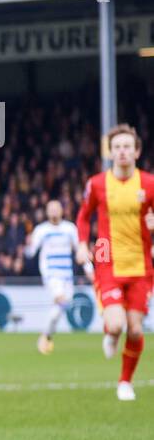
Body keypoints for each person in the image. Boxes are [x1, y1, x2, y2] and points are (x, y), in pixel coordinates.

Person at [75, 124, 154, 400]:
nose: (122, 152)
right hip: (107, 259)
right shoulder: (97, 184)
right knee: (118, 324)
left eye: (127, 147)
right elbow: (83, 216)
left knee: (134, 328)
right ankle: (110, 331)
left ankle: (125, 382)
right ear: (110, 152)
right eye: (117, 147)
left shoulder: (149, 184)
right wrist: (83, 244)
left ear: (137, 152)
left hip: (142, 266)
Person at [24, 200, 87, 355]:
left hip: (67, 277)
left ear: (61, 211)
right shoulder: (41, 230)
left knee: (57, 312)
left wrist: (89, 268)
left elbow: (80, 250)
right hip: (51, 276)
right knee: (60, 300)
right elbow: (31, 252)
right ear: (46, 212)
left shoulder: (69, 228)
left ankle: (46, 336)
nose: (53, 211)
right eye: (50, 209)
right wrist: (28, 244)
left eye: (56, 209)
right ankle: (45, 336)